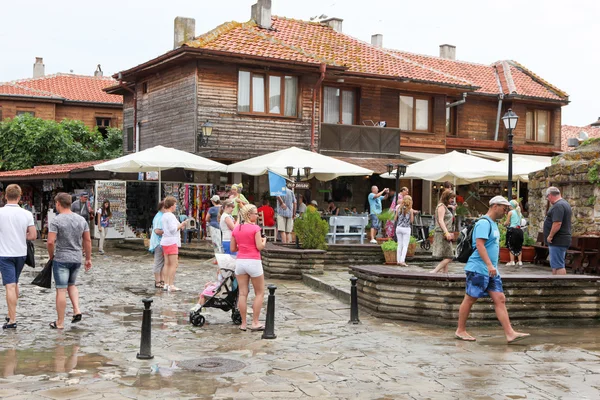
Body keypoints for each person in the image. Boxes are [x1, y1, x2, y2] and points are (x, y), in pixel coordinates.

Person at [455, 196, 530, 344]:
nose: (505, 211)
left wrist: (492, 267)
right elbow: (480, 245)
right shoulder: (483, 223)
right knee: (470, 298)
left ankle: (510, 333)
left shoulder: (493, 224)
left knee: (500, 299)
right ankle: (460, 330)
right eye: (504, 208)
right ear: (495, 206)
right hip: (478, 268)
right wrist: (489, 265)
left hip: (490, 270)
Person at [47, 192, 92, 329]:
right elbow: (87, 240)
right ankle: (77, 310)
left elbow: (50, 241)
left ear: (58, 203)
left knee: (61, 290)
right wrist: (88, 258)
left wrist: (51, 256)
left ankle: (60, 322)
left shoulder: (56, 220)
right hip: (76, 258)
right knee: (71, 285)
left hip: (61, 258)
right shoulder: (81, 220)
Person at [0, 184, 37, 329]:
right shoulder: (27, 214)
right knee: (14, 283)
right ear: (20, 197)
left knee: (9, 286)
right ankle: (11, 313)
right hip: (21, 253)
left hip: (4, 253)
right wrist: (22, 236)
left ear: (5, 196)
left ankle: (12, 320)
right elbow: (33, 235)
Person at [230, 204, 267, 331]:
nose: (257, 216)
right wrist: (264, 242)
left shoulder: (236, 229)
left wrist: (243, 246)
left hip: (240, 262)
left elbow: (233, 248)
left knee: (242, 294)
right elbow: (259, 247)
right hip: (254, 261)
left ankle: (243, 323)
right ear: (249, 214)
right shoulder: (255, 228)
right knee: (260, 293)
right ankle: (255, 322)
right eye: (255, 214)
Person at [160, 196, 187, 292]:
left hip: (165, 241)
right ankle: (171, 284)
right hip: (171, 241)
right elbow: (173, 229)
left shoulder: (164, 215)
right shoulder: (170, 216)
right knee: (173, 264)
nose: (176, 206)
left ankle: (166, 283)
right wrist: (182, 224)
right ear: (171, 205)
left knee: (167, 264)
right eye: (175, 204)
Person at [544, 187, 572, 275]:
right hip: (561, 239)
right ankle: (555, 284)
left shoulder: (558, 206)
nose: (548, 199)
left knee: (558, 265)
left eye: (547, 197)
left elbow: (557, 223)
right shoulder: (565, 204)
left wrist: (550, 235)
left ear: (550, 195)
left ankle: (561, 286)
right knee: (556, 264)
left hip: (557, 240)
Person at [430, 190, 456, 274]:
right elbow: (440, 220)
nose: (453, 200)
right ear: (446, 197)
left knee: (446, 255)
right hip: (442, 233)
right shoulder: (441, 206)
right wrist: (446, 232)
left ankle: (445, 273)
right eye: (451, 198)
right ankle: (435, 271)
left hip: (444, 232)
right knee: (450, 256)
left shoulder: (444, 206)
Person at [395, 195, 416, 267]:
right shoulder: (410, 210)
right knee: (405, 245)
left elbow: (395, 219)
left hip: (398, 228)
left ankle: (398, 260)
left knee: (399, 244)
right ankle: (402, 260)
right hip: (406, 229)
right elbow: (411, 221)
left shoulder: (399, 208)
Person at [149, 201, 166, 289]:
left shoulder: (161, 216)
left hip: (161, 242)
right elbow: (157, 231)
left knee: (162, 263)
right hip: (158, 243)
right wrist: (168, 232)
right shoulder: (159, 217)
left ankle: (162, 280)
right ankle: (157, 281)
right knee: (158, 262)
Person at [505, 199, 524, 266]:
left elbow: (507, 223)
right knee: (519, 245)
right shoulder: (519, 213)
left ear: (511, 206)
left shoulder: (510, 212)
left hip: (512, 230)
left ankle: (512, 261)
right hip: (519, 230)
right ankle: (519, 261)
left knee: (511, 245)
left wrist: (505, 224)